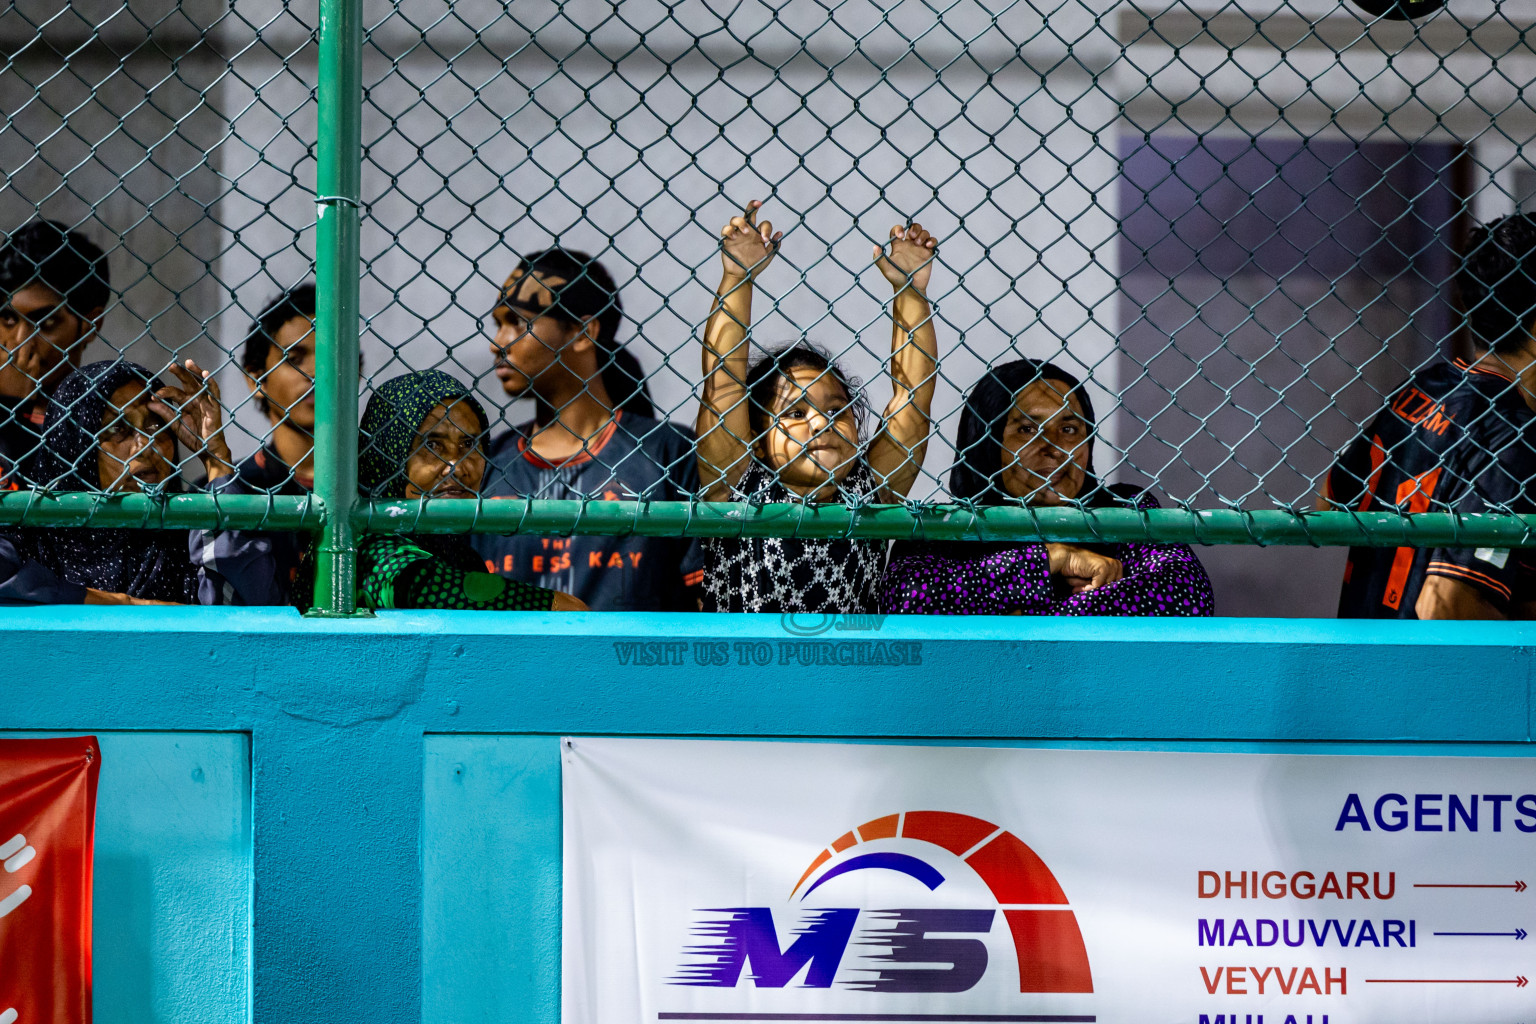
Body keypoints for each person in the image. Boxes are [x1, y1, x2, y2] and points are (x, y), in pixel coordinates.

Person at [696, 200, 940, 613]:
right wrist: (737, 278)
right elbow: (724, 384)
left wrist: (911, 292)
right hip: (749, 669)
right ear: (754, 439)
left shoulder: (869, 494)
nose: (820, 424)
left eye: (836, 410)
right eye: (794, 413)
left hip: (846, 671)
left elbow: (912, 397)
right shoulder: (737, 486)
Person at [880, 358, 1214, 616]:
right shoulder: (944, 525)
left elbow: (1184, 593)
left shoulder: (1123, 508)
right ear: (985, 441)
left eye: (1069, 429)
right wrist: (1051, 559)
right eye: (1027, 429)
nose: (1053, 446)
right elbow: (909, 599)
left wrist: (1025, 620)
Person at [1325, 213, 1536, 620]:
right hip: (1423, 674)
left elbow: (1331, 500)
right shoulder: (1514, 438)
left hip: (1361, 650)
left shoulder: (1426, 388)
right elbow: (1446, 608)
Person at [474, 247, 702, 611]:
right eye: (497, 323)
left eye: (517, 322)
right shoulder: (489, 460)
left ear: (582, 332)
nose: (497, 342)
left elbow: (704, 601)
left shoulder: (666, 452)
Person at [296, 369, 585, 613]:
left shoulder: (456, 552)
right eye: (431, 446)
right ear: (387, 454)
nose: (457, 467)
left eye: (469, 445)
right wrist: (551, 605)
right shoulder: (361, 540)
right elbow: (417, 586)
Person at [0, 359, 235, 604]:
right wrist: (121, 603)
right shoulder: (33, 539)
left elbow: (245, 602)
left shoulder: (188, 534)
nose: (146, 446)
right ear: (75, 446)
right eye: (117, 429)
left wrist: (216, 459)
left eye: (158, 425)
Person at [189, 283, 323, 604]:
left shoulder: (382, 485)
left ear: (355, 371)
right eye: (295, 357)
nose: (317, 372)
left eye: (333, 356)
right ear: (257, 380)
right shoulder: (229, 488)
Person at [0, 221, 109, 489]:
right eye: (7, 319)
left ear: (90, 325)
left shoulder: (107, 419)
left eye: (44, 322)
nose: (20, 342)